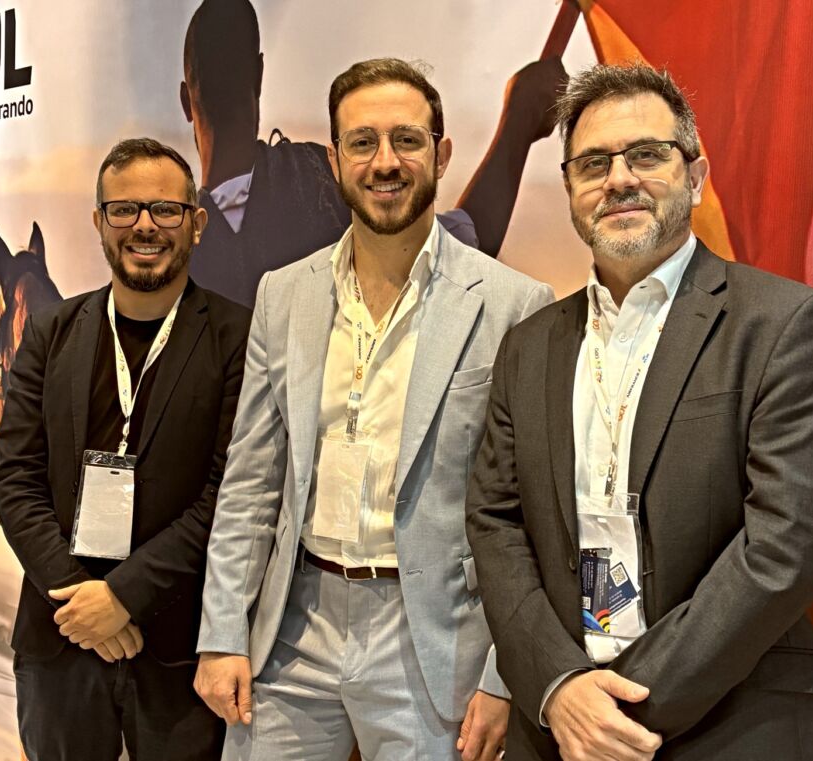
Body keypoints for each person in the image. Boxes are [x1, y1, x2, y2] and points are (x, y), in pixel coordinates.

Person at [465, 62, 813, 760]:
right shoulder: (527, 346)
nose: (619, 179)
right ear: (570, 189)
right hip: (560, 727)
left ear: (696, 176)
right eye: (593, 164)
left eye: (646, 155)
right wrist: (558, 687)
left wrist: (618, 707)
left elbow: (787, 546)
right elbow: (495, 523)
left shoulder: (782, 325)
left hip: (731, 723)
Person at [194, 58, 556, 761]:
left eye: (407, 140)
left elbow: (531, 510)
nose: (385, 162)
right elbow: (251, 484)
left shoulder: (513, 305)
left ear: (441, 156)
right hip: (294, 627)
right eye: (362, 142)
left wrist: (501, 672)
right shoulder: (283, 296)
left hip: (433, 641)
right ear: (335, 161)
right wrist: (222, 631)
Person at [0, 138, 250, 761]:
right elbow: (14, 481)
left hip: (178, 649)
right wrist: (79, 595)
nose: (144, 226)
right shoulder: (52, 333)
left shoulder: (237, 336)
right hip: (59, 637)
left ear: (197, 223)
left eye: (165, 209)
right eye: (124, 209)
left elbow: (229, 496)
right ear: (99, 222)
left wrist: (122, 597)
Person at [180, 0, 565, 308]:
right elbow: (456, 255)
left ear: (185, 101)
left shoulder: (175, 241)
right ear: (260, 74)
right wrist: (519, 120)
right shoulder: (321, 180)